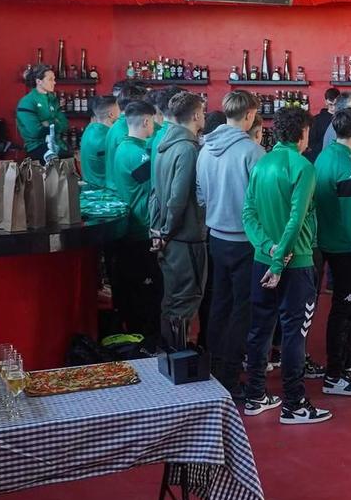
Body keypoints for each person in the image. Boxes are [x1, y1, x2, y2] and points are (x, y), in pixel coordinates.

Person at [242, 105, 330, 425]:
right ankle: (293, 404)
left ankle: (254, 396)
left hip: (261, 261)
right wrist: (279, 261)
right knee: (294, 334)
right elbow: (295, 218)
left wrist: (267, 249)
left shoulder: (262, 164)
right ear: (303, 133)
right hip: (294, 264)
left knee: (260, 329)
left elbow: (247, 214)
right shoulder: (302, 167)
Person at [198, 90, 263, 395]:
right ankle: (229, 376)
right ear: (250, 115)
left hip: (215, 237)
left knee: (218, 304)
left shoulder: (205, 148)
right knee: (243, 309)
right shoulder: (252, 152)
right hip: (244, 241)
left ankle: (214, 368)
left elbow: (200, 194)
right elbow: (263, 201)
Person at [313, 107, 351, 399]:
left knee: (344, 311)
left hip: (324, 241)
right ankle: (335, 375)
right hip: (344, 248)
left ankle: (347, 367)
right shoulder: (347, 168)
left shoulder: (326, 156)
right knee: (344, 312)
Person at [149, 91, 208, 353]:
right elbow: (178, 197)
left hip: (168, 235)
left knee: (172, 298)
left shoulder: (164, 143)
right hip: (184, 238)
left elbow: (155, 193)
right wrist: (167, 230)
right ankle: (177, 355)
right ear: (196, 115)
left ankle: (171, 352)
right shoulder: (187, 149)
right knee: (185, 299)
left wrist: (158, 230)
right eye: (203, 112)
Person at [107, 100, 162, 343]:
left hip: (134, 227)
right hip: (140, 229)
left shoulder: (124, 147)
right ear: (147, 121)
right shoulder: (135, 153)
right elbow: (159, 182)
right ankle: (147, 341)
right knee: (146, 293)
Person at [15, 64, 69, 161]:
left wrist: (47, 123)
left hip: (58, 145)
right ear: (39, 81)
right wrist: (55, 121)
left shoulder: (52, 99)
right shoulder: (27, 102)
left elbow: (65, 125)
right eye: (50, 79)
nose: (54, 82)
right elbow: (35, 132)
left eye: (54, 79)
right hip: (36, 148)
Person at [78, 91, 121, 184]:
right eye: (119, 110)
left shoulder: (89, 129)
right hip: (102, 190)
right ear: (111, 115)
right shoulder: (106, 139)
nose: (121, 113)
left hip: (89, 182)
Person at [305, 87, 343, 161]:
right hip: (319, 156)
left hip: (338, 156)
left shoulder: (344, 119)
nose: (333, 108)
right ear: (325, 102)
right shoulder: (316, 120)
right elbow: (311, 143)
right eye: (330, 105)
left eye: (335, 104)